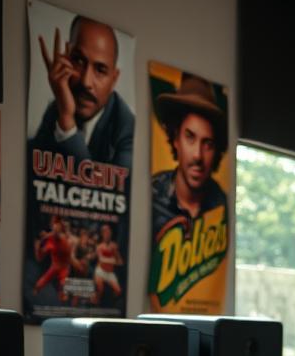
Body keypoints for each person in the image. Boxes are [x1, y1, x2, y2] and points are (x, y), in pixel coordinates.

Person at [31, 17, 134, 167]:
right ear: (67, 58)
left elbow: (101, 189)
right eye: (78, 61)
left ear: (114, 79)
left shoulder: (127, 130)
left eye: (100, 70)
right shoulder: (59, 106)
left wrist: (67, 121)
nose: (86, 82)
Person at [151, 74, 227, 240]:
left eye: (208, 144)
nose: (198, 155)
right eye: (190, 137)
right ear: (176, 138)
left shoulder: (224, 207)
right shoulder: (152, 196)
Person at [92, 223, 123, 304]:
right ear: (102, 234)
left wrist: (115, 261)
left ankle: (111, 303)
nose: (107, 234)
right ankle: (94, 304)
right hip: (100, 272)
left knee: (118, 291)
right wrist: (112, 261)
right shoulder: (99, 247)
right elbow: (101, 259)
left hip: (110, 273)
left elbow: (120, 262)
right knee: (100, 290)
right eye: (105, 232)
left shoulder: (114, 246)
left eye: (108, 232)